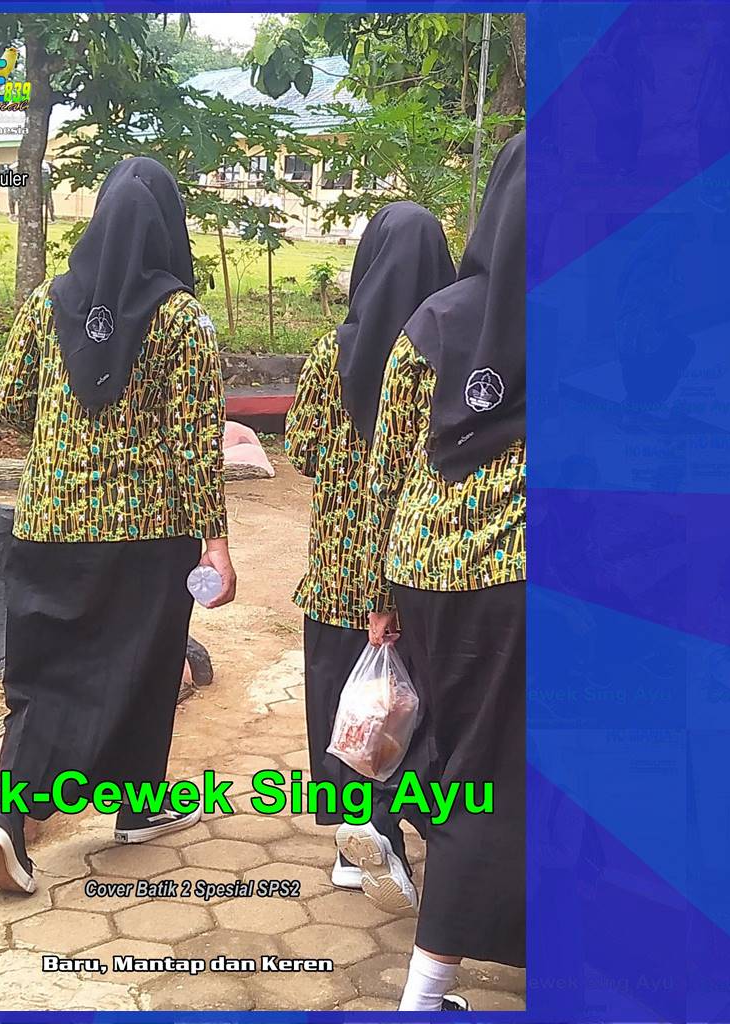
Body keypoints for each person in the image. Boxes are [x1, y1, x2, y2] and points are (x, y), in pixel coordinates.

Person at [0, 157, 234, 893]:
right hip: (146, 530)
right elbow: (195, 440)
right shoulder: (181, 318)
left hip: (48, 521)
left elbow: (8, 397)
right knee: (143, 664)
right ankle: (136, 806)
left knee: (42, 672)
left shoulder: (46, 301)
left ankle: (8, 820)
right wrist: (216, 541)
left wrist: (67, 438)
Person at [359, 132, 528, 1009]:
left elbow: (386, 466)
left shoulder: (430, 322)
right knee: (494, 775)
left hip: (424, 571)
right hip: (519, 582)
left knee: (462, 756)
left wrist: (376, 595)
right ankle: (426, 990)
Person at [283, 202, 456, 905]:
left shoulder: (333, 352)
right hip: (416, 562)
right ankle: (395, 825)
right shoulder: (448, 349)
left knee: (343, 698)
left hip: (338, 565)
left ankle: (351, 842)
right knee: (409, 703)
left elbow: (301, 447)